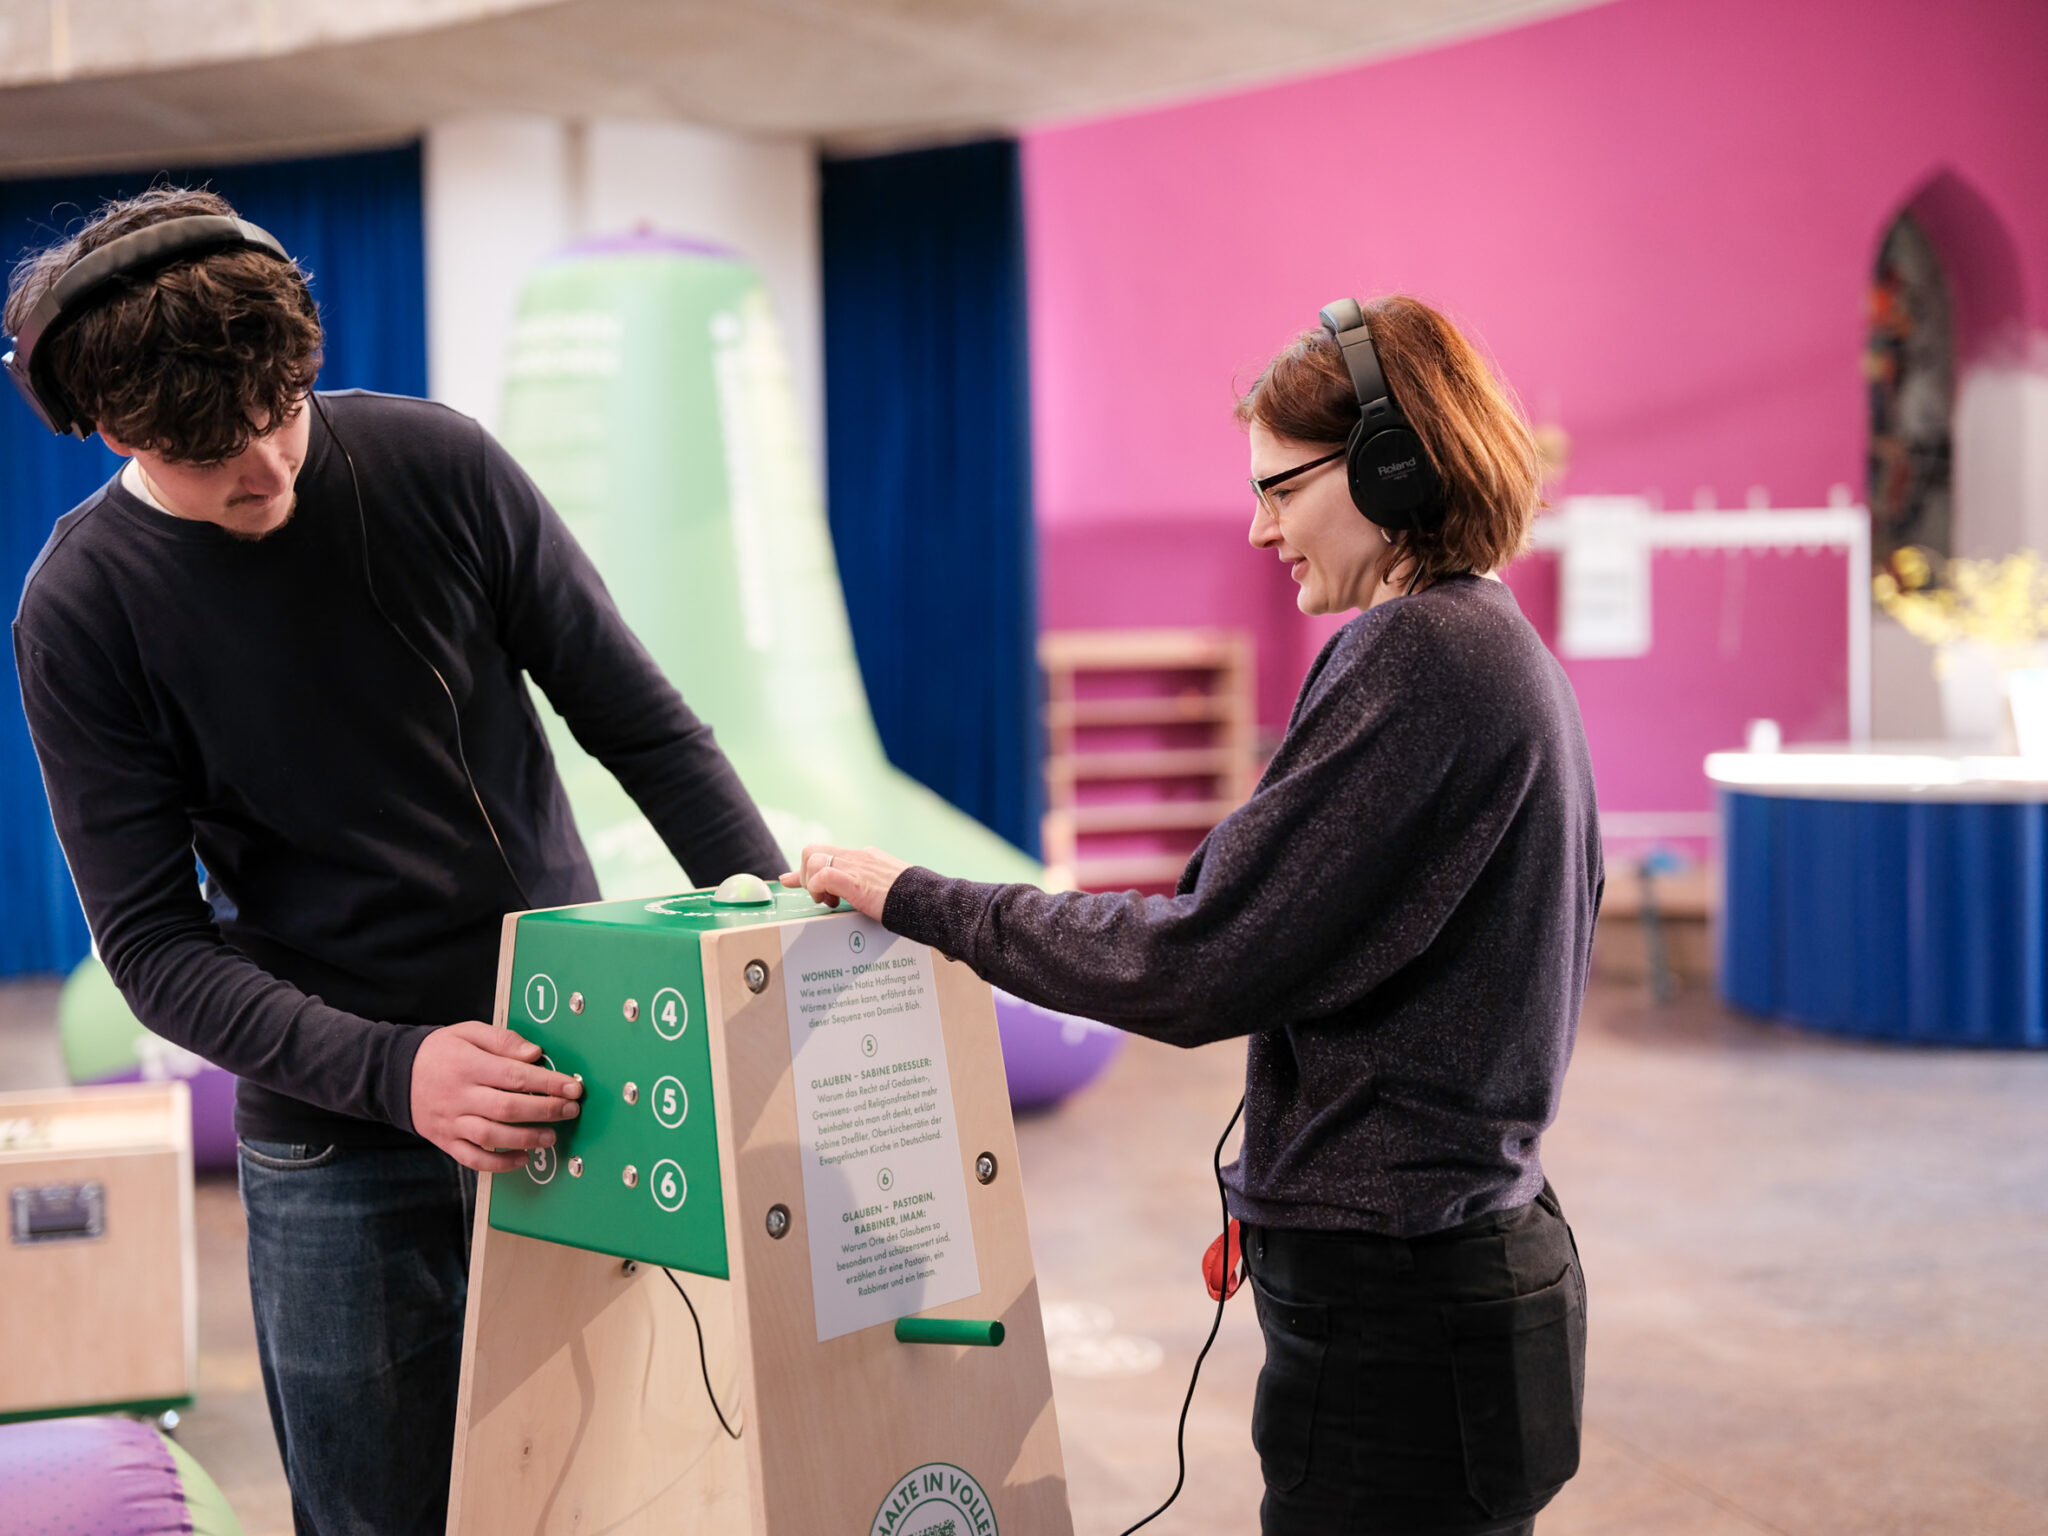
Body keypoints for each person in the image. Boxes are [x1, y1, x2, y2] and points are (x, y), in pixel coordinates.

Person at [6, 187, 784, 1535]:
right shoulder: (80, 610)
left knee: (616, 1495)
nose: (271, 471)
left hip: (571, 1074)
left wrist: (775, 959)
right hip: (335, 1139)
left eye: (283, 414)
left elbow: (645, 731)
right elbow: (153, 948)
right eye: (215, 454)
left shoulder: (441, 465)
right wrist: (396, 1070)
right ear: (117, 431)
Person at [790, 296, 1601, 1535]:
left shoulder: (1416, 654)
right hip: (1465, 1266)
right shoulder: (1500, 649)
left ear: (1389, 467)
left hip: (1401, 1310)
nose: (1260, 526)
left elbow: (1194, 961)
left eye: (1279, 488)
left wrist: (919, 899)